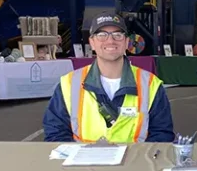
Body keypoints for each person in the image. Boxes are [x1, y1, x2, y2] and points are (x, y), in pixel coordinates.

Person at [43, 12, 174, 143]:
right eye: (102, 35)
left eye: (117, 35)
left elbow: (161, 135)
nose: (110, 41)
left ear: (126, 42)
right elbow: (56, 133)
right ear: (92, 43)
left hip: (134, 161)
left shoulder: (150, 84)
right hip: (83, 162)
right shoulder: (69, 84)